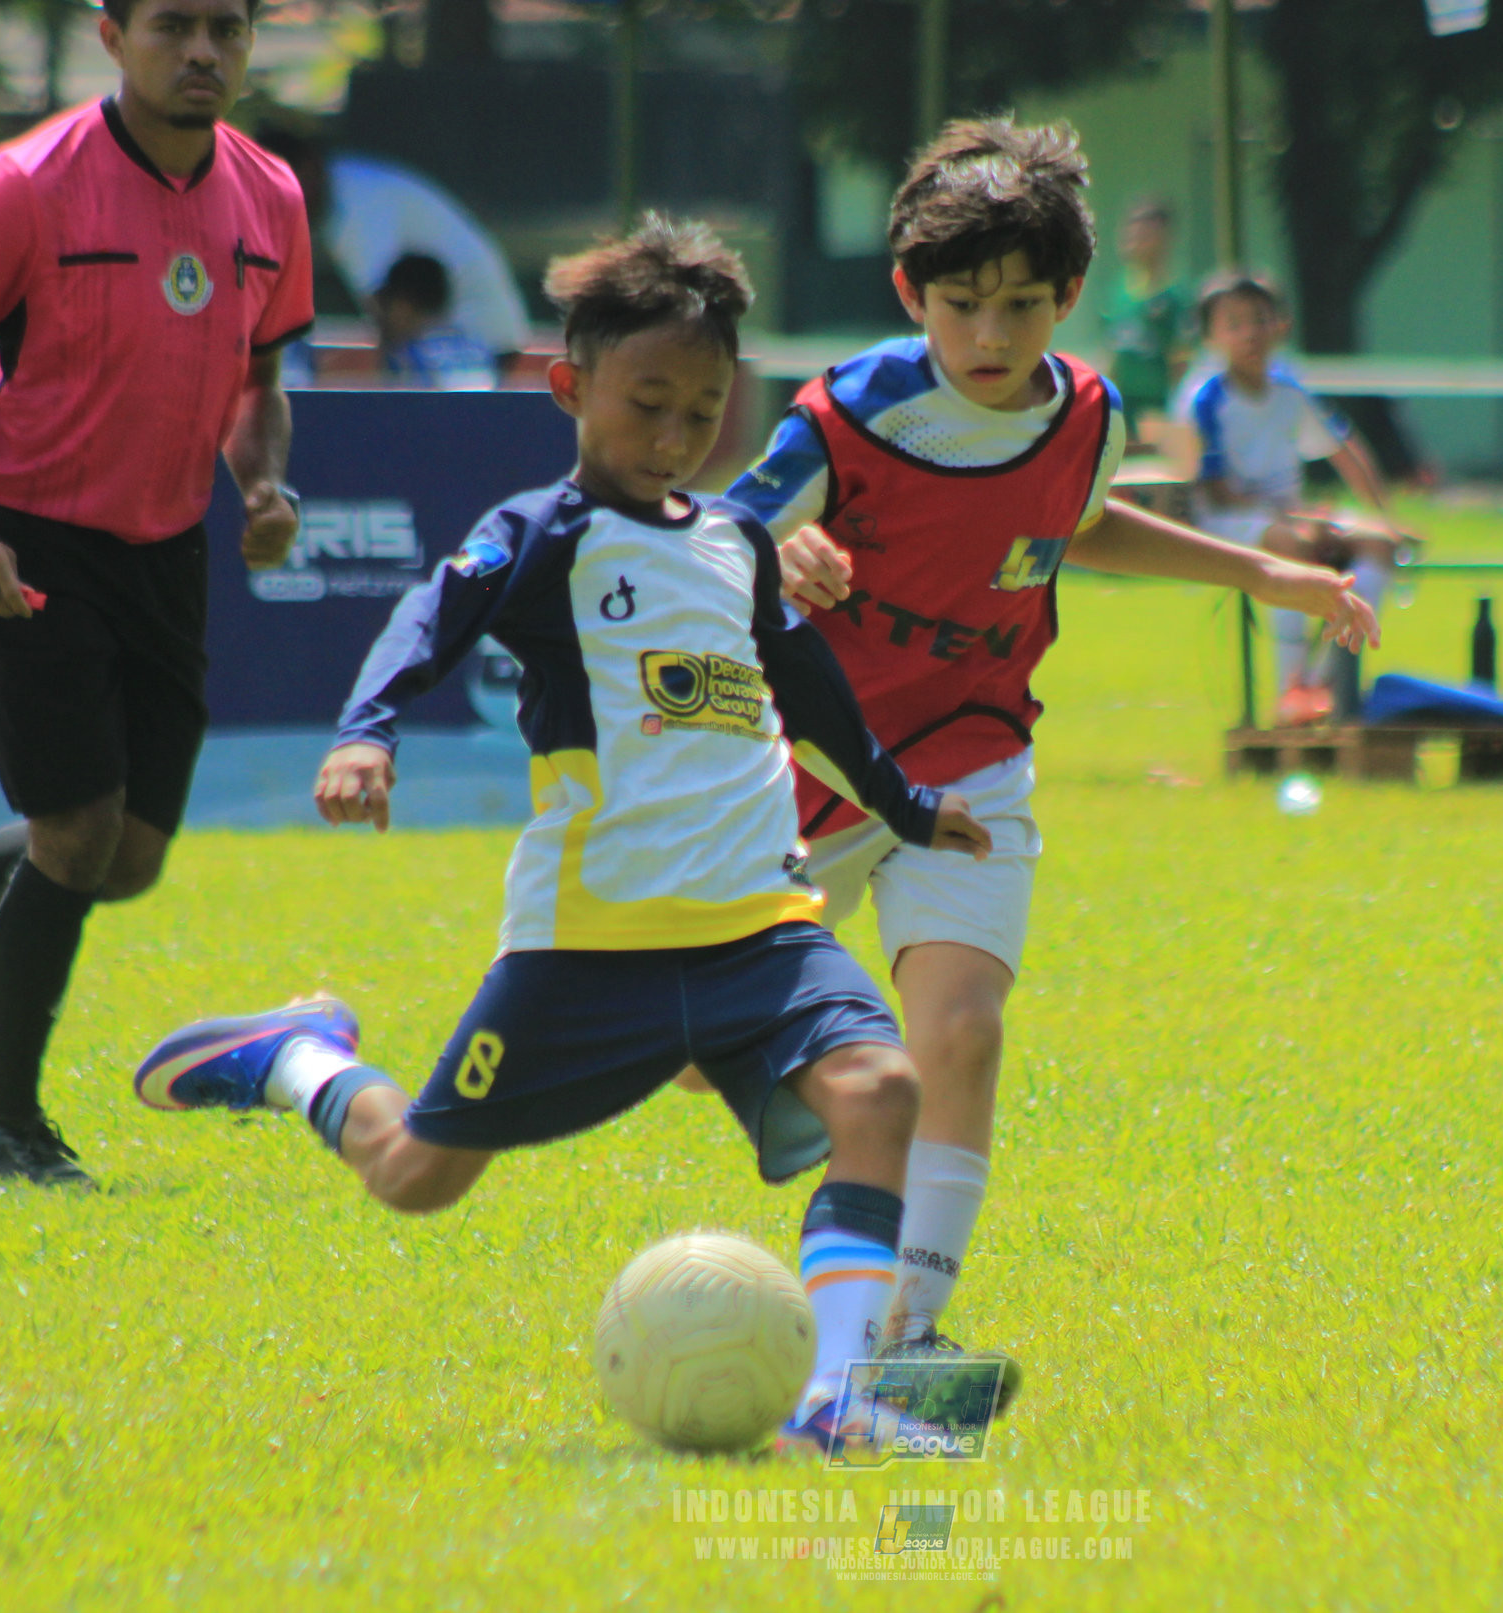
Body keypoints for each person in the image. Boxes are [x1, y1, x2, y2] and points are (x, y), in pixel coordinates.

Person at [130, 217, 996, 1452]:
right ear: (570, 387)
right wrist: (365, 729)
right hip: (589, 947)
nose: (674, 433)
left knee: (881, 1085)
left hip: (761, 927)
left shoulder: (736, 543)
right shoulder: (542, 531)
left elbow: (809, 693)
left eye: (701, 410)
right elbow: (433, 610)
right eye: (646, 402)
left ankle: (835, 1398)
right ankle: (295, 1058)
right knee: (417, 1176)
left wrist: (907, 807)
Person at [720, 119, 1377, 1366]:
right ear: (912, 293)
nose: (991, 334)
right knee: (710, 1062)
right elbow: (708, 536)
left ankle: (906, 1329)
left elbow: (1076, 520)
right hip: (806, 766)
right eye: (962, 303)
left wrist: (1257, 573)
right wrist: (773, 549)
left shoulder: (1085, 412)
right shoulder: (846, 418)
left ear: (1068, 297)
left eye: (1023, 304)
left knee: (961, 1030)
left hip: (969, 757)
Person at [0, 0, 313, 1184]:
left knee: (128, 854)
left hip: (164, 546)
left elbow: (260, 383)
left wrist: (262, 485)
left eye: (227, 31)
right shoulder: (28, 182)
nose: (202, 52)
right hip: (25, 537)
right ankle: (5, 1127)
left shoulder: (272, 199)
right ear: (111, 34)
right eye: (173, 26)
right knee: (78, 830)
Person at [1182, 269, 1409, 724]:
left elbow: (1346, 450)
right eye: (1234, 323)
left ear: (1280, 325)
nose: (1250, 334)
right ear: (1212, 336)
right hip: (1228, 521)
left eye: (1260, 319)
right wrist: (1296, 519)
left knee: (1378, 544)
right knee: (1292, 544)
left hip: (1287, 515)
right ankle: (1292, 685)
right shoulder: (1202, 399)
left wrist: (1384, 517)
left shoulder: (1290, 392)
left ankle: (1325, 678)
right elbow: (1214, 490)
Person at [256, 129, 533, 376]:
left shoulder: (357, 202)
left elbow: (394, 316)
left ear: (309, 166)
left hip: (479, 340)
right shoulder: (341, 191)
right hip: (477, 341)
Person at [1098, 197, 1190, 444]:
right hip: (1122, 406)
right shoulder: (1117, 291)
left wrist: (1173, 415)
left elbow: (1181, 361)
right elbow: (1110, 352)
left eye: (1145, 233)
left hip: (1158, 407)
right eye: (1131, 231)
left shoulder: (1176, 298)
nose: (1135, 240)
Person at [369, 252, 496, 389]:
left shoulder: (406, 357)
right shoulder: (480, 350)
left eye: (385, 305)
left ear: (402, 306)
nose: (381, 320)